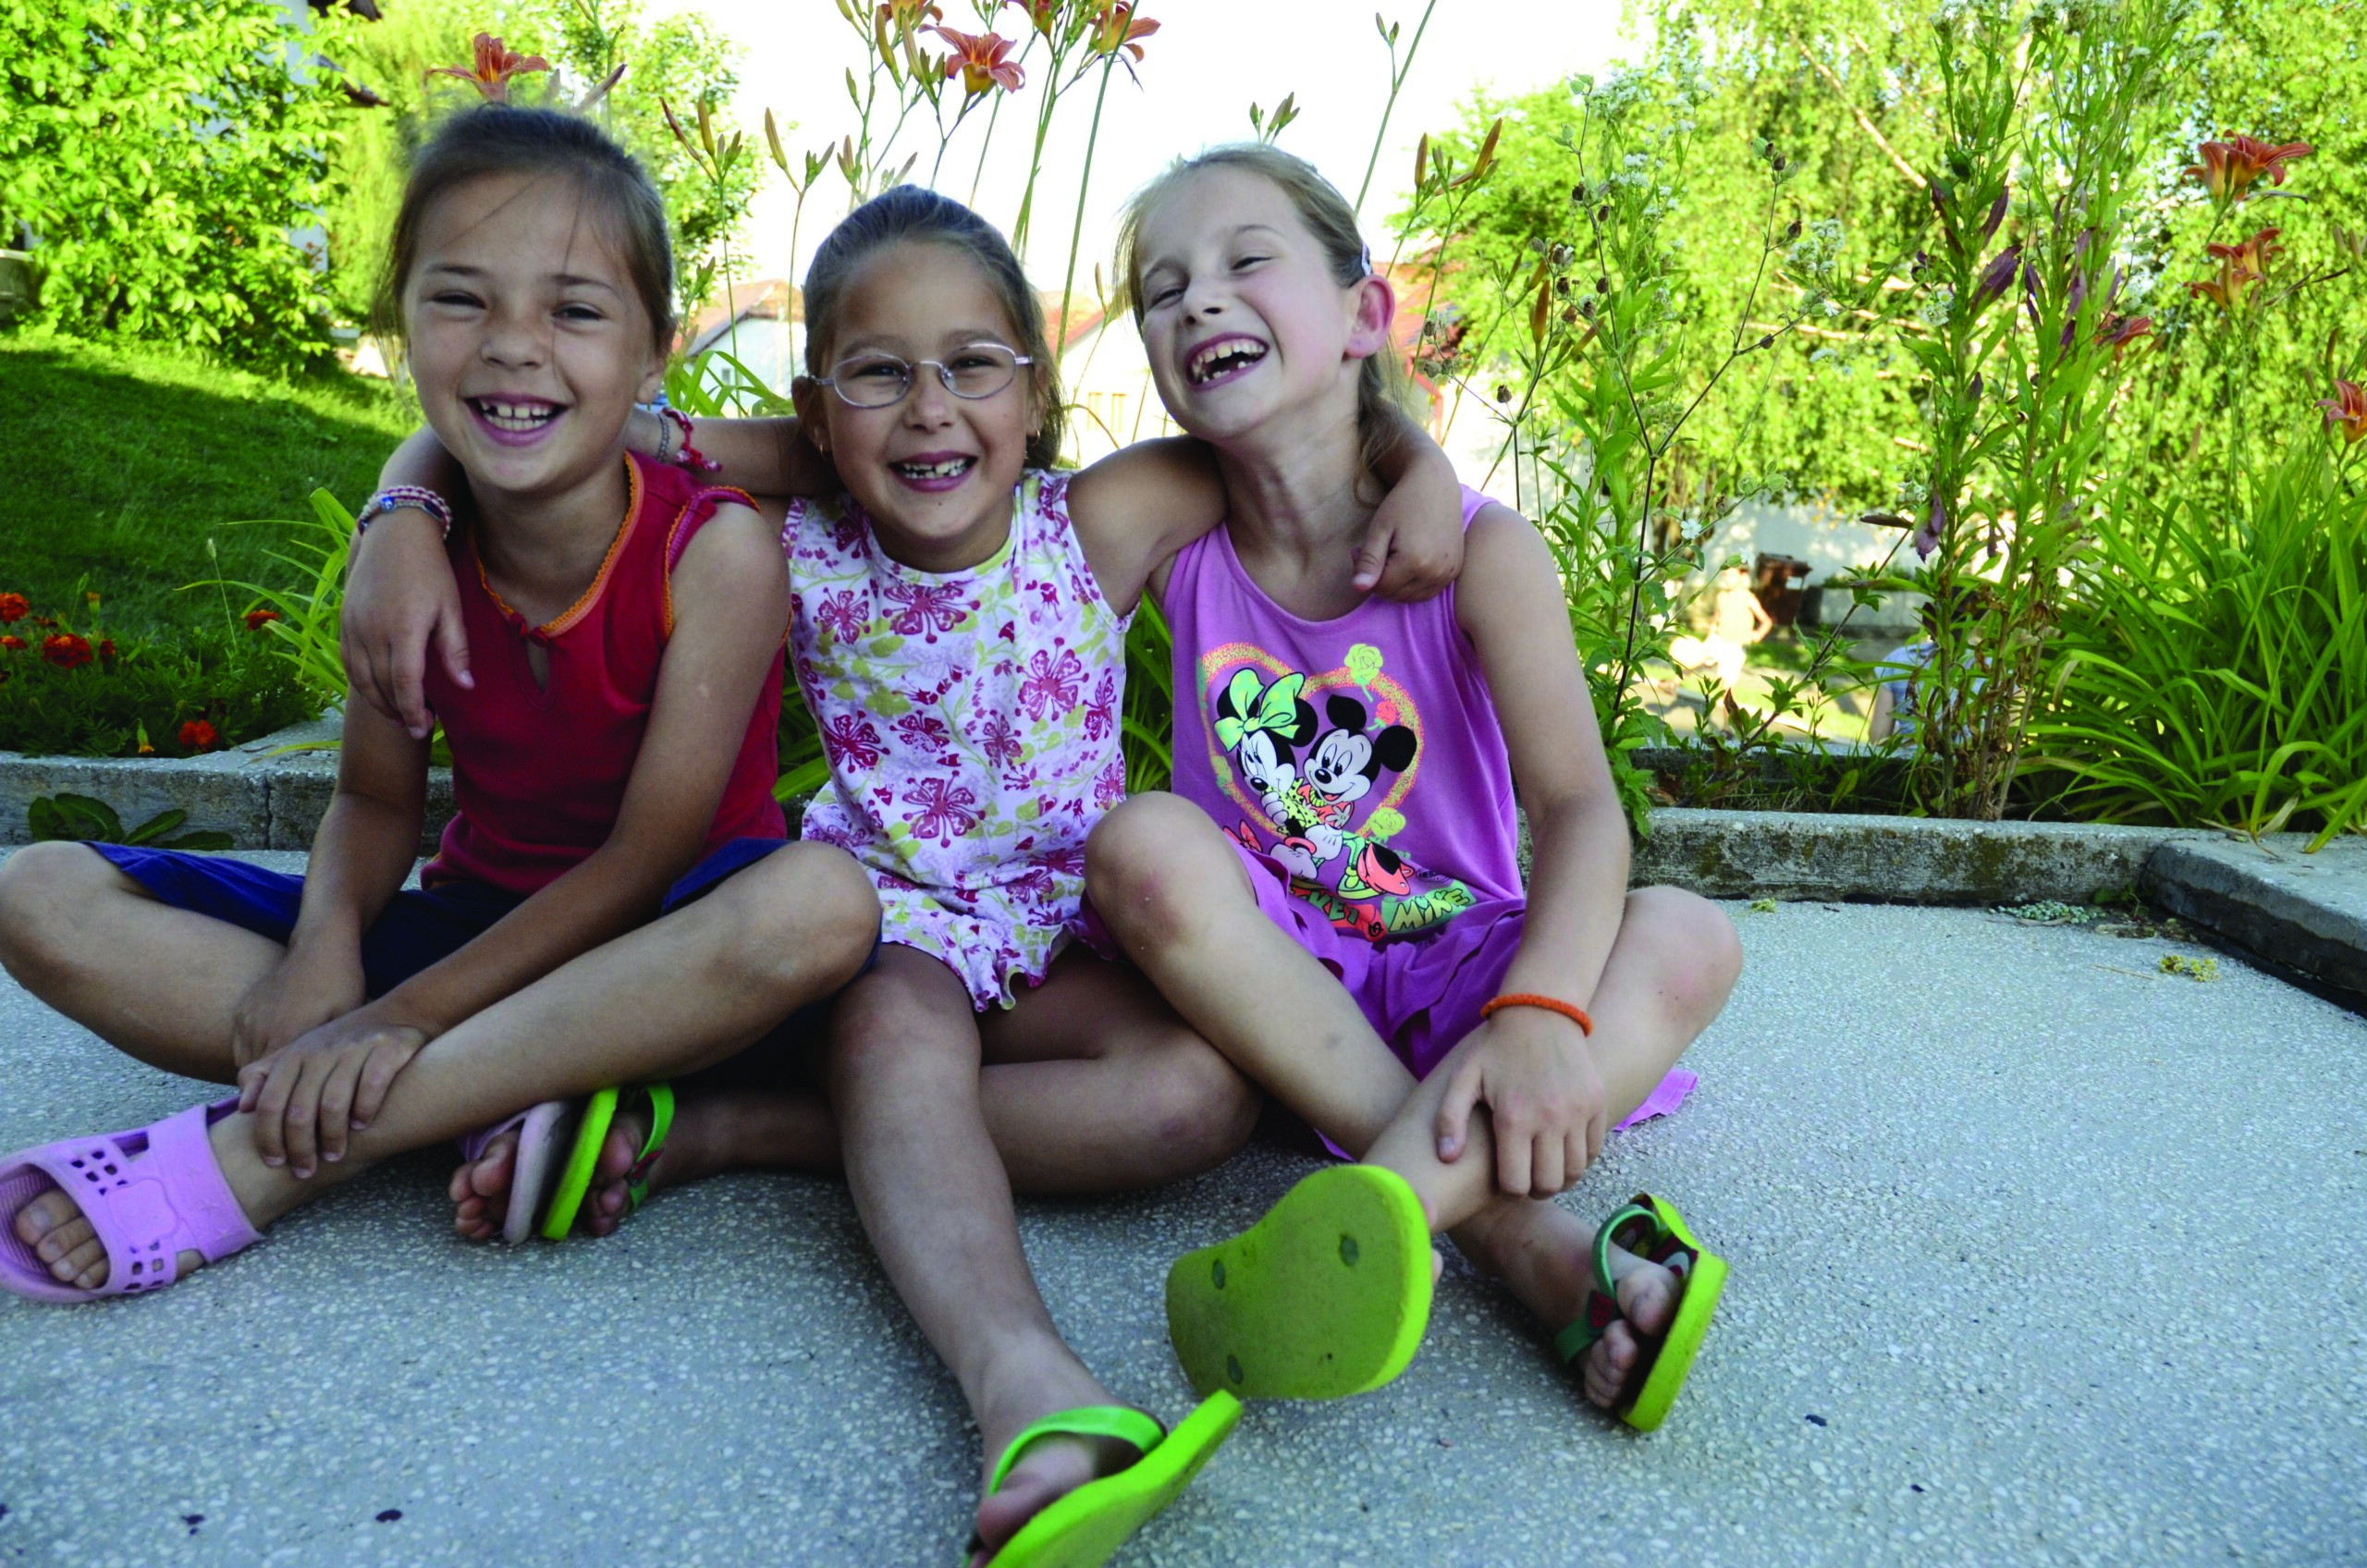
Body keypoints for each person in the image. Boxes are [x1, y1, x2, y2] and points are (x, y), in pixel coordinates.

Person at [334, 182, 1467, 1562]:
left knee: (1195, 1100)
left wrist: (1415, 470)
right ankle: (1029, 1394)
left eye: (972, 368)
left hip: (1071, 932)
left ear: (1036, 395)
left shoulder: (1103, 517)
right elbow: (529, 428)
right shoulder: (792, 549)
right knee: (898, 1037)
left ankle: (731, 1132)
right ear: (817, 418)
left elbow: (1314, 427)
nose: (930, 410)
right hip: (888, 932)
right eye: (879, 375)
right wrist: (400, 510)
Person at [0, 106, 880, 1303]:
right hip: (475, 928)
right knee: (37, 892)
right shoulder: (420, 552)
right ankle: (508, 1092)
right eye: (461, 299)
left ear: (651, 356)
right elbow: (373, 801)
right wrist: (324, 955)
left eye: (574, 310)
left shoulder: (713, 554)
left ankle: (277, 1156)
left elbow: (648, 856)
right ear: (402, 320)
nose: (515, 347)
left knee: (821, 907)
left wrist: (391, 1020)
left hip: (673, 953)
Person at [1078, 146, 1746, 1430]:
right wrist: (675, 438)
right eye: (1163, 290)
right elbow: (956, 499)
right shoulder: (1169, 519)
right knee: (1148, 838)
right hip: (1269, 986)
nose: (1199, 302)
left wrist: (1544, 1012)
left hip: (1465, 979)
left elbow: (1579, 812)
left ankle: (1374, 1209)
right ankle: (1520, 1239)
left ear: (1363, 315)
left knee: (1692, 936)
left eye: (1244, 262)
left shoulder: (1484, 555)